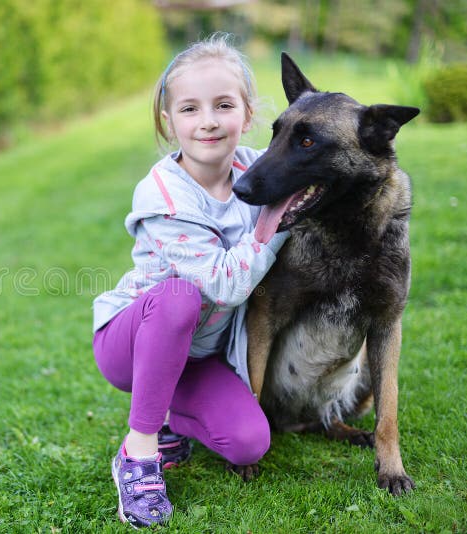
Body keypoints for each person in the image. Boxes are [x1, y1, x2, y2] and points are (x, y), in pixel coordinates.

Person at [92, 33, 289, 528]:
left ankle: (168, 422)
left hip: (199, 356)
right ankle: (138, 454)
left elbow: (306, 180)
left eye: (224, 105)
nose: (208, 121)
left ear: (247, 114)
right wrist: (282, 219)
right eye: (189, 108)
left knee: (248, 444)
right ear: (168, 120)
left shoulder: (257, 171)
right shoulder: (164, 196)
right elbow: (226, 285)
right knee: (181, 296)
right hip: (130, 343)